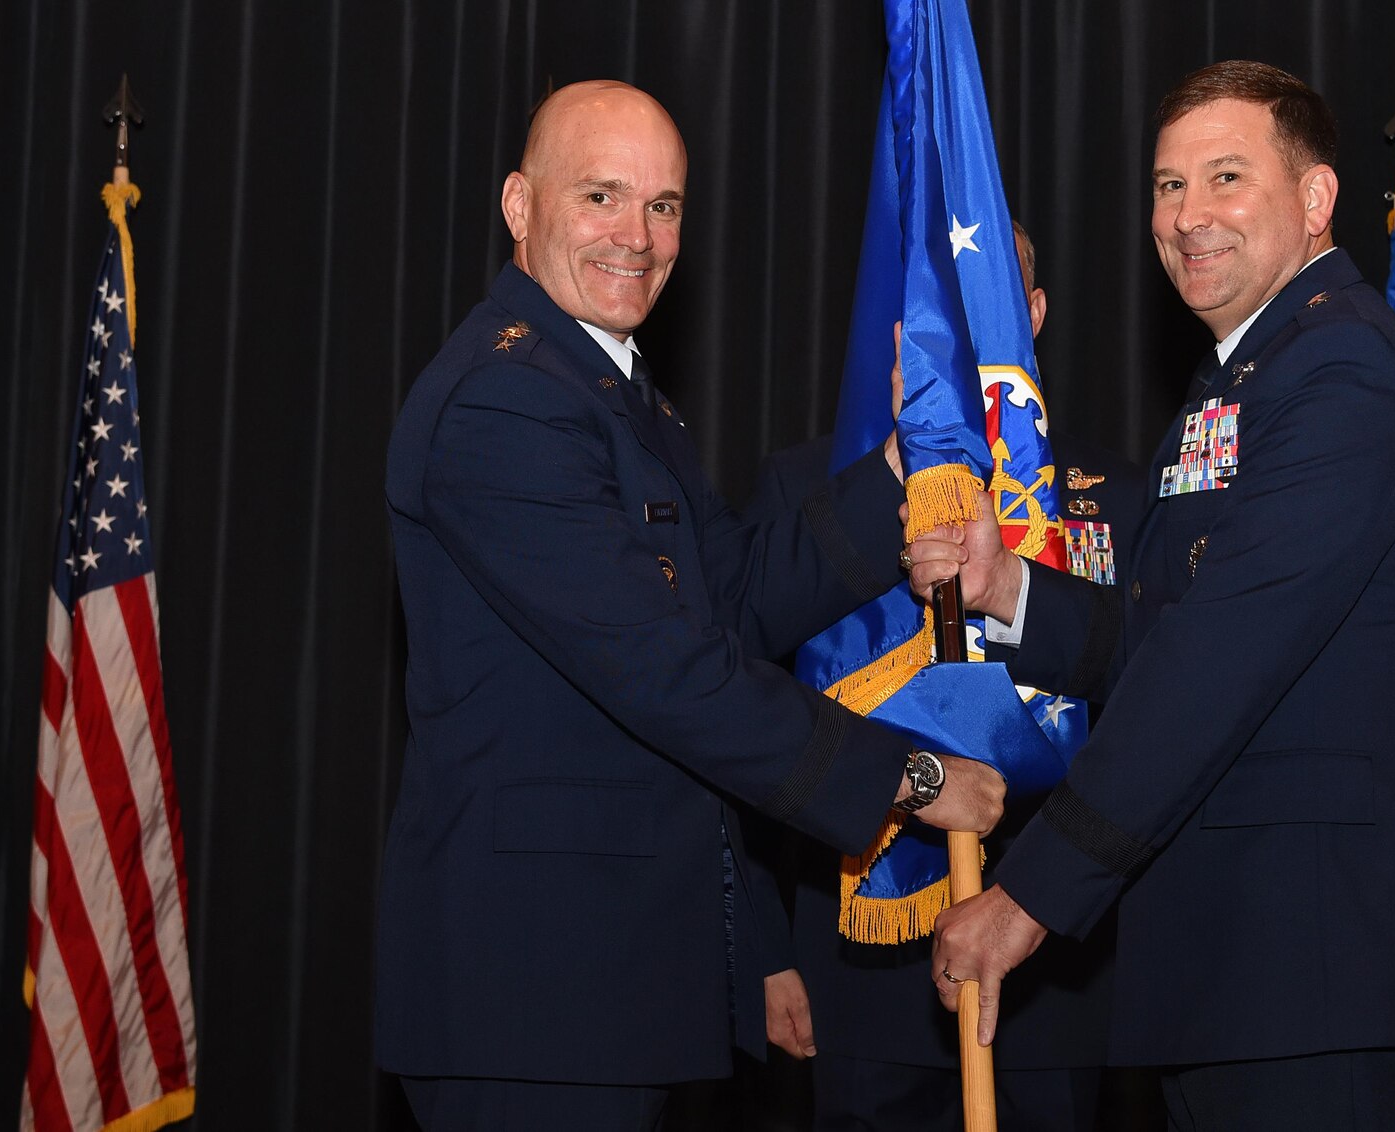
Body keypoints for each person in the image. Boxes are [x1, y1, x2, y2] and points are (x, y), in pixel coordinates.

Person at [377, 80, 1004, 1130]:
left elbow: (733, 598)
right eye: (601, 198)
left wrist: (900, 466)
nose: (638, 236)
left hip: (608, 983)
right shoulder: (506, 402)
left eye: (663, 206)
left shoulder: (614, 391)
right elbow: (667, 672)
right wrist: (909, 775)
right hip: (530, 996)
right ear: (519, 207)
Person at [908, 61, 1395, 1129]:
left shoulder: (1346, 377)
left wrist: (1028, 896)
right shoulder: (1241, 377)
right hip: (1236, 975)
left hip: (1323, 975)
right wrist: (1008, 589)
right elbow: (1163, 633)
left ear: (1315, 199)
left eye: (1224, 178)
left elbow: (1217, 661)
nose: (1186, 216)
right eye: (1165, 185)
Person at [747, 222, 1147, 1131]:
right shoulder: (810, 491)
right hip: (857, 971)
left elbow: (1150, 724)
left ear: (1032, 316)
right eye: (937, 308)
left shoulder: (1111, 499)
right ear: (897, 328)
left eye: (995, 303)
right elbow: (735, 722)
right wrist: (763, 950)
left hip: (1053, 971)